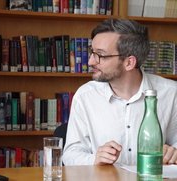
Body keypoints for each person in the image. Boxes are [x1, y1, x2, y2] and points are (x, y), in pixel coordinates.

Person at [62, 18, 177, 166]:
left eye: (100, 55)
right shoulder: (85, 96)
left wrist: (173, 152)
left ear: (129, 62)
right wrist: (95, 159)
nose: (90, 61)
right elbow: (70, 154)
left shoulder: (171, 93)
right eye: (92, 53)